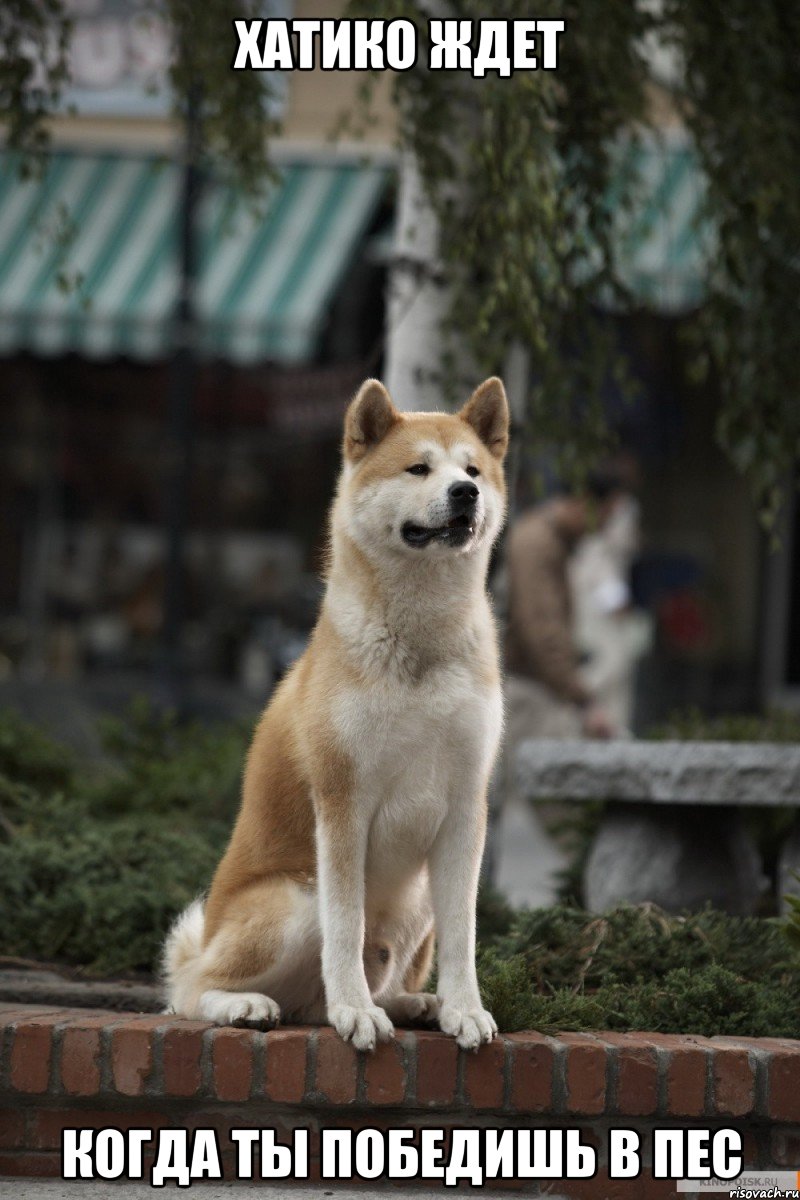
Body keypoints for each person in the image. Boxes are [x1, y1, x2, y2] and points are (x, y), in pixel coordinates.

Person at [503, 470, 627, 743]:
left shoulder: (551, 541)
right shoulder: (538, 544)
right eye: (606, 515)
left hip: (537, 687)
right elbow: (542, 630)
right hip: (527, 691)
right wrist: (583, 701)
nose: (605, 527)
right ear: (586, 502)